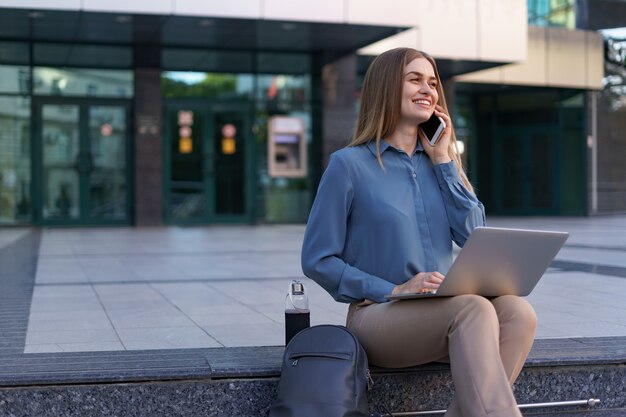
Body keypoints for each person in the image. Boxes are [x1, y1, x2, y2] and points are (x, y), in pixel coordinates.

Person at [301, 48, 537, 417]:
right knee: (473, 309)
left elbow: (476, 235)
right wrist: (391, 289)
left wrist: (444, 161)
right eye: (415, 79)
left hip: (444, 310)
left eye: (432, 82)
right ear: (385, 88)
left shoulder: (441, 165)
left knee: (518, 313)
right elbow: (317, 259)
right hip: (378, 315)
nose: (428, 89)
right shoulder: (348, 166)